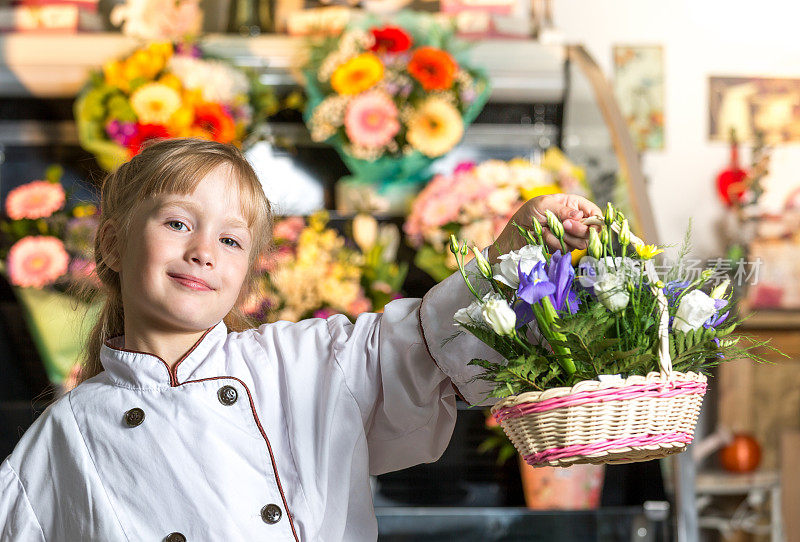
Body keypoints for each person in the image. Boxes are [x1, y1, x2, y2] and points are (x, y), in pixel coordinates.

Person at [0, 138, 601, 541]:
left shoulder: (301, 363)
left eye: (231, 240)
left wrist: (510, 254)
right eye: (178, 223)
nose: (203, 250)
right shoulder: (69, 431)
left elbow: (425, 340)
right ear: (111, 244)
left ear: (247, 276)